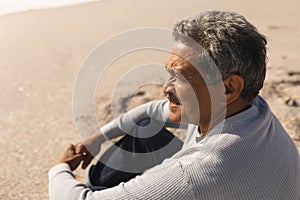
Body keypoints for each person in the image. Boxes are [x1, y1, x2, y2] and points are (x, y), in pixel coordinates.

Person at [49, 10, 300, 199]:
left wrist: (60, 168)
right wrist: (98, 138)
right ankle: (95, 180)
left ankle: (95, 185)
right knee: (146, 127)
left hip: (213, 181)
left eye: (179, 77)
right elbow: (149, 110)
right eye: (168, 73)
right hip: (239, 183)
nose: (166, 88)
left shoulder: (197, 172)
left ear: (228, 87)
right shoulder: (251, 107)